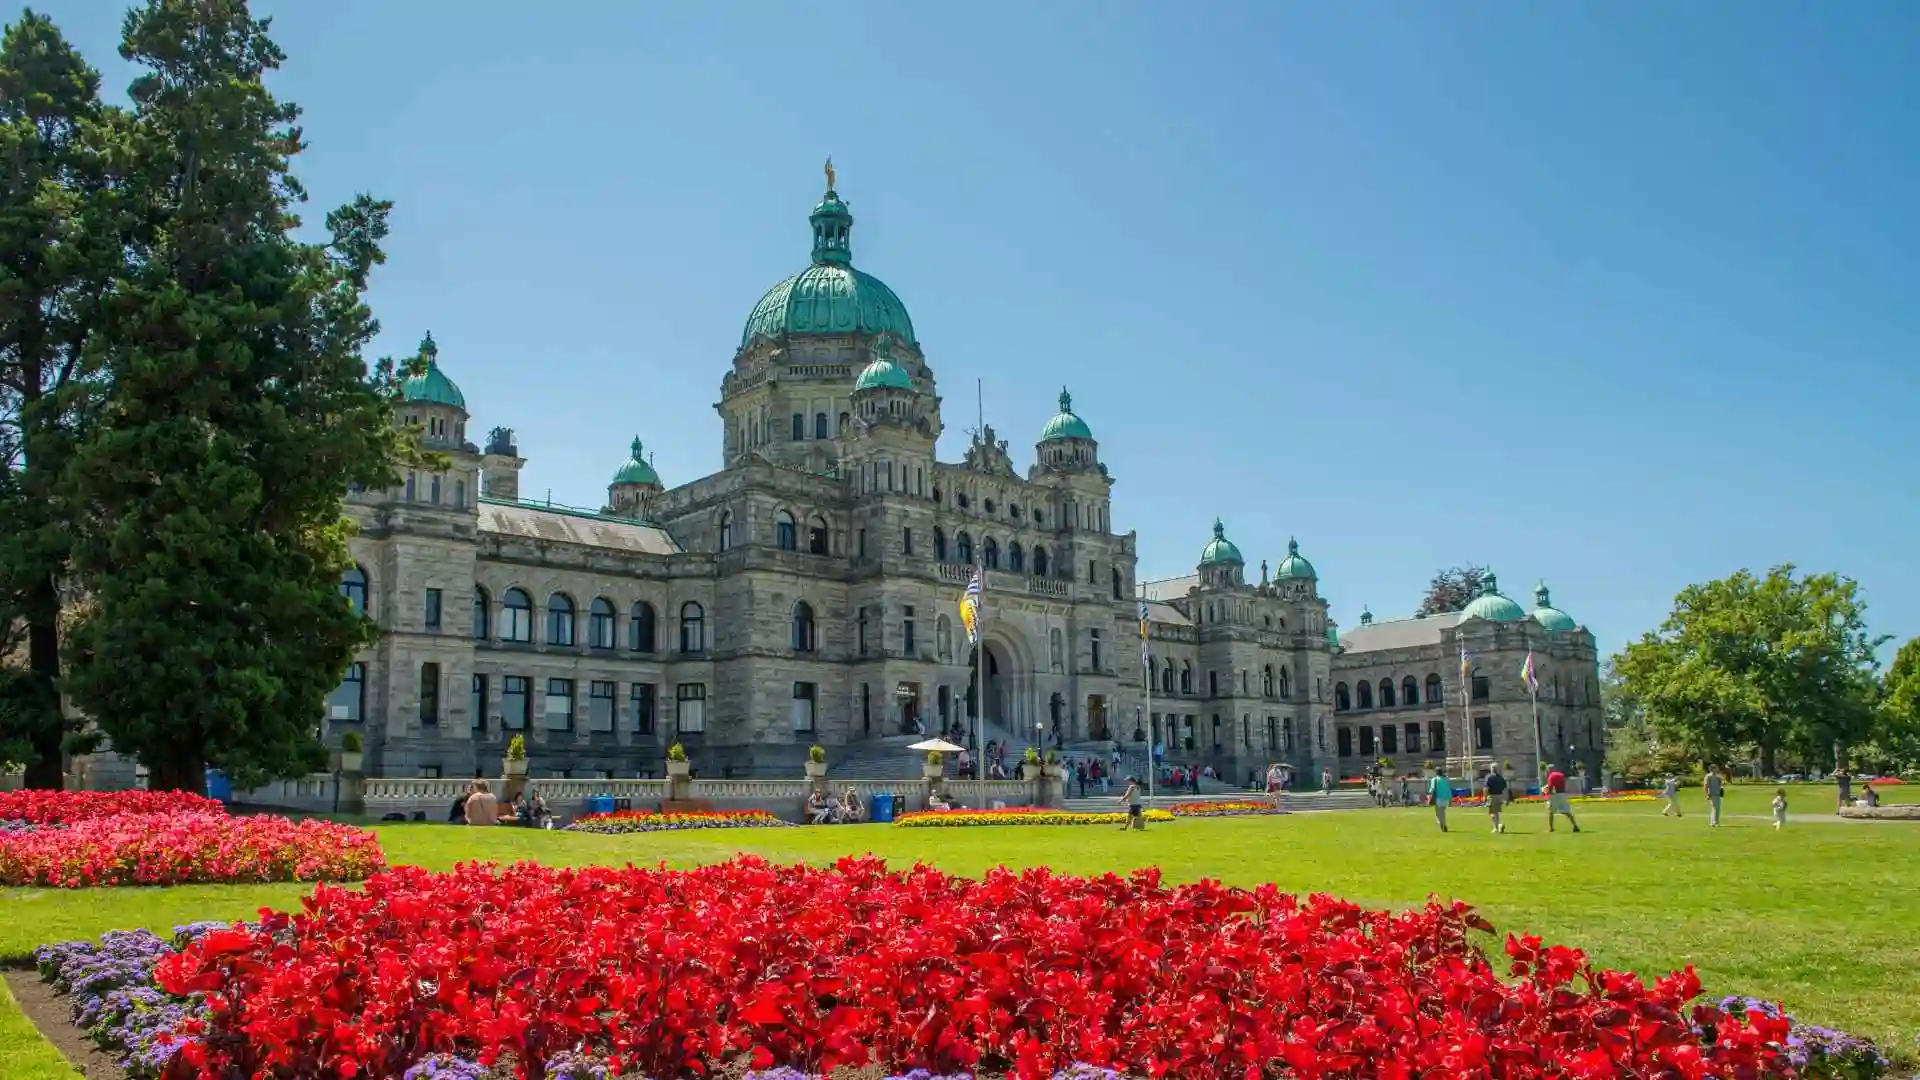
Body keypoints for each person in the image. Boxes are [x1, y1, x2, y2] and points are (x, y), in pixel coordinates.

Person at [1544, 765, 1581, 833]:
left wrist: (1547, 793)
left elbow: (1551, 787)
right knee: (1567, 811)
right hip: (1563, 794)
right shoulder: (1561, 775)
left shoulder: (1551, 776)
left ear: (1549, 770)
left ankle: (1551, 828)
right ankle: (1575, 825)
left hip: (1555, 796)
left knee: (1551, 811)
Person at [1484, 764, 1509, 834]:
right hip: (1499, 796)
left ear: (1491, 769)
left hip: (1492, 796)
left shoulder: (1489, 777)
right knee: (1496, 813)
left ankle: (1496, 827)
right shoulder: (1500, 778)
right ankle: (1498, 826)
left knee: (1492, 813)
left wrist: (1485, 796)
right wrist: (1505, 799)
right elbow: (1505, 789)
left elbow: (1486, 788)